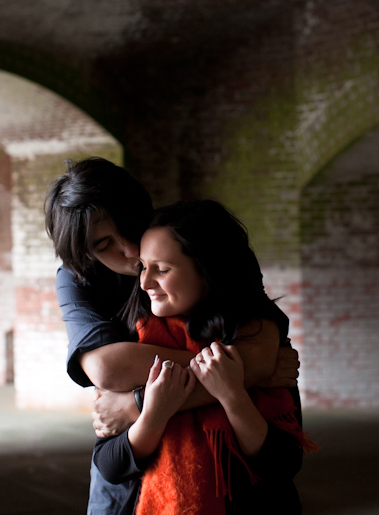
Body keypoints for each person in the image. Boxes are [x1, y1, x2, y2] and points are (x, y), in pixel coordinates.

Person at [45, 158, 300, 515]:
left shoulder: (201, 243)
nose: (131, 253)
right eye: (105, 245)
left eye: (129, 228)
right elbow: (107, 369)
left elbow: (280, 455)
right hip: (130, 486)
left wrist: (134, 403)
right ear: (85, 254)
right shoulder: (79, 279)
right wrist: (237, 370)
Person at [92, 200, 315, 514]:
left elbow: (281, 463)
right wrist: (153, 412)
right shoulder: (137, 338)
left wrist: (232, 395)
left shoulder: (255, 338)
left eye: (163, 269)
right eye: (143, 266)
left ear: (208, 270)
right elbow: (110, 465)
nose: (144, 282)